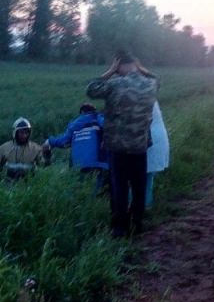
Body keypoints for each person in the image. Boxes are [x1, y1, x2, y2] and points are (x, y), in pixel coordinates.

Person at [86, 51, 158, 237]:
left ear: (118, 65)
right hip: (140, 145)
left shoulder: (114, 84)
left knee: (119, 187)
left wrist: (109, 72)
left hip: (117, 146)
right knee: (139, 185)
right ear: (136, 64)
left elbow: (92, 89)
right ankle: (137, 223)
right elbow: (155, 78)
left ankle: (120, 228)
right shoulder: (150, 84)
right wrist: (140, 67)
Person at [0, 117, 51, 185]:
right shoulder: (4, 148)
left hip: (30, 186)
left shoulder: (35, 148)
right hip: (8, 186)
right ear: (15, 133)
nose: (24, 135)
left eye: (26, 132)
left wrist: (47, 154)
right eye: (21, 133)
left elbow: (43, 165)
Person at [43, 103, 108, 172]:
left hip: (78, 166)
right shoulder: (98, 118)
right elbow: (108, 127)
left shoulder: (74, 124)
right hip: (98, 165)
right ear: (94, 111)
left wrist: (50, 140)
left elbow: (63, 141)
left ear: (82, 112)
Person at [145, 100, 169, 209]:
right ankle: (146, 205)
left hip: (146, 139)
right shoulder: (149, 96)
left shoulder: (135, 96)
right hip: (156, 137)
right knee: (147, 177)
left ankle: (136, 207)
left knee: (135, 177)